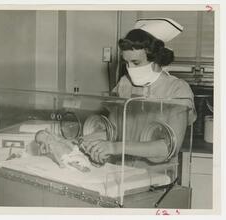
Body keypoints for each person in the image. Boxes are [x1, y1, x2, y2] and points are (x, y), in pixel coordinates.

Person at [83, 18, 197, 165]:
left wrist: (115, 147)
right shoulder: (124, 83)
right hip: (123, 171)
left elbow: (168, 148)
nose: (130, 69)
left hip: (157, 177)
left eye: (136, 63)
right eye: (127, 63)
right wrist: (91, 143)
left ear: (156, 58)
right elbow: (113, 132)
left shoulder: (177, 89)